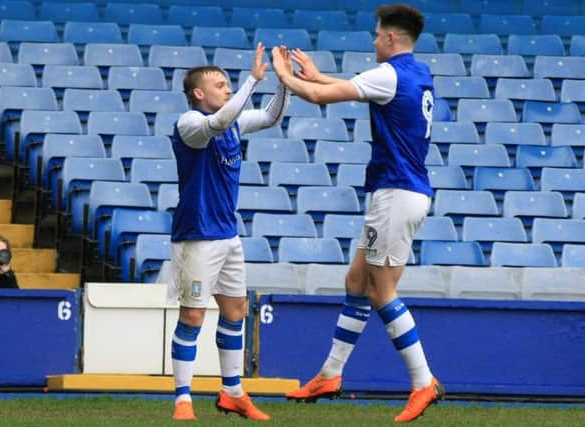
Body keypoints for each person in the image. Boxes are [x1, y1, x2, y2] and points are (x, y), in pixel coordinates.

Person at [271, 4, 443, 423]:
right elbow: (355, 88)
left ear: (389, 37)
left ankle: (423, 383)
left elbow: (317, 97)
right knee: (357, 281)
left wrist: (284, 75)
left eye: (376, 33)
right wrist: (315, 75)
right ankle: (330, 374)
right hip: (403, 191)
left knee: (382, 292)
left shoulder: (388, 74)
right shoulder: (417, 73)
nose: (372, 40)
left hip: (396, 195)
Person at [169, 42, 290, 421]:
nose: (227, 87)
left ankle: (233, 391)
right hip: (197, 234)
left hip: (227, 234)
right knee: (192, 316)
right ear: (198, 93)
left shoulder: (233, 120)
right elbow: (218, 121)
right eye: (220, 84)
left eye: (228, 83)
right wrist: (253, 82)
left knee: (235, 310)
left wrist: (284, 81)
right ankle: (183, 398)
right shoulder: (189, 123)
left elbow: (270, 117)